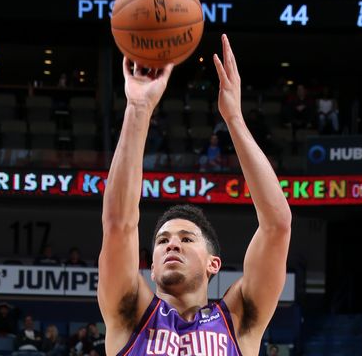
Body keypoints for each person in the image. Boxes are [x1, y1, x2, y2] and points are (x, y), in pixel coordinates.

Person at [98, 34, 292, 355]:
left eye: (187, 239)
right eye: (162, 240)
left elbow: (277, 225)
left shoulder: (238, 320)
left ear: (213, 264)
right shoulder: (131, 315)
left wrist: (234, 119)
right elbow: (119, 224)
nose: (172, 243)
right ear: (152, 266)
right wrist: (139, 107)